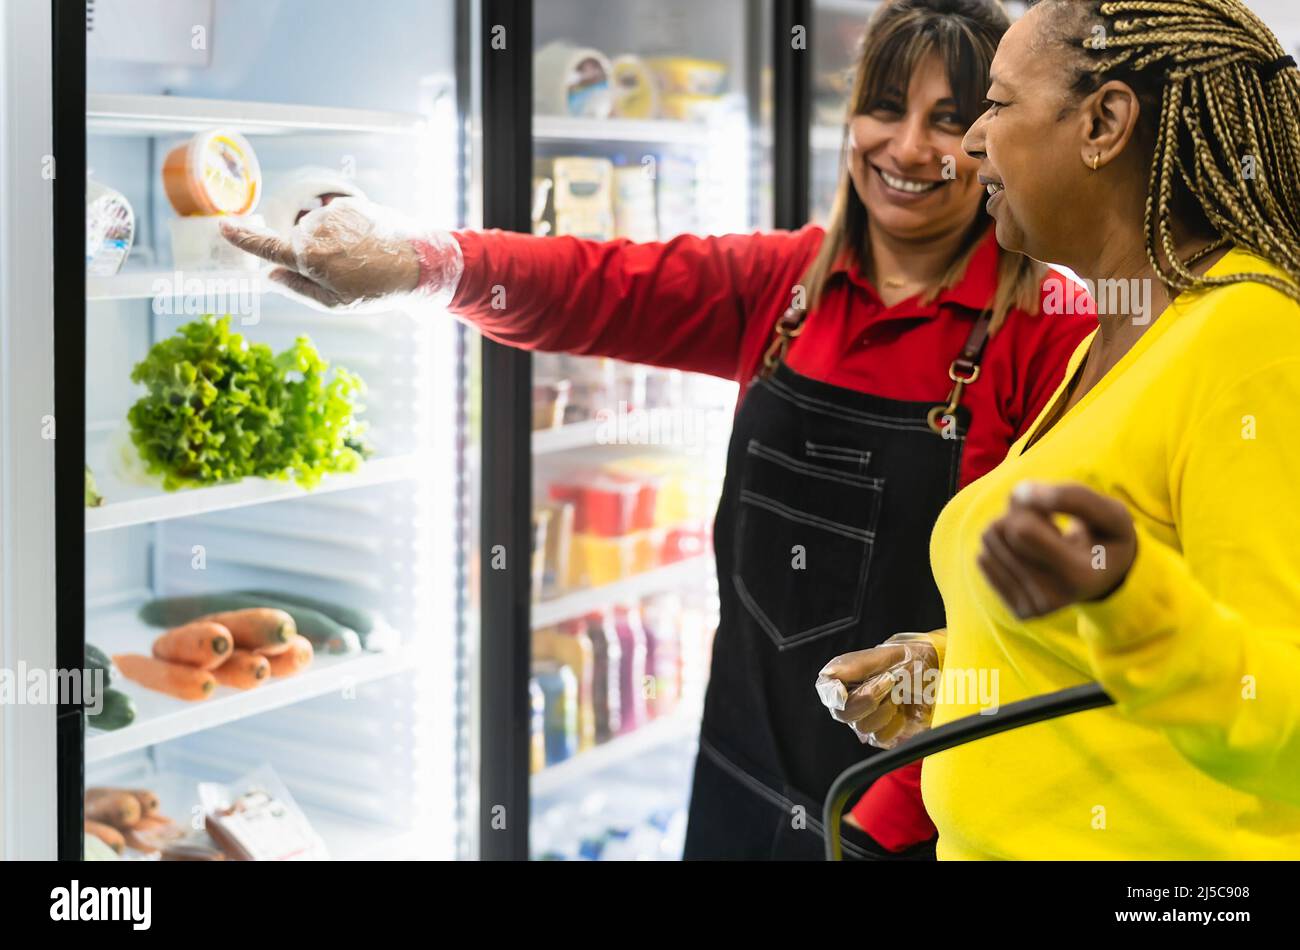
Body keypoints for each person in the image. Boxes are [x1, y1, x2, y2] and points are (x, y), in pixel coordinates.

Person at [222, 0, 1093, 859]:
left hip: (905, 812)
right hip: (737, 774)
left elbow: (1041, 629)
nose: (906, 148)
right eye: (883, 107)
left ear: (989, 140)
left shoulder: (1049, 330)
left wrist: (881, 825)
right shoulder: (785, 287)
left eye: (947, 120)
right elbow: (593, 285)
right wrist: (421, 263)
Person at [821, 0, 1300, 859]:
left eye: (997, 106)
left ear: (1105, 123)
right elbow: (1091, 669)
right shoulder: (1117, 332)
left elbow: (1281, 718)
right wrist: (943, 670)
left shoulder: (1255, 345)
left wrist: (1124, 595)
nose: (972, 145)